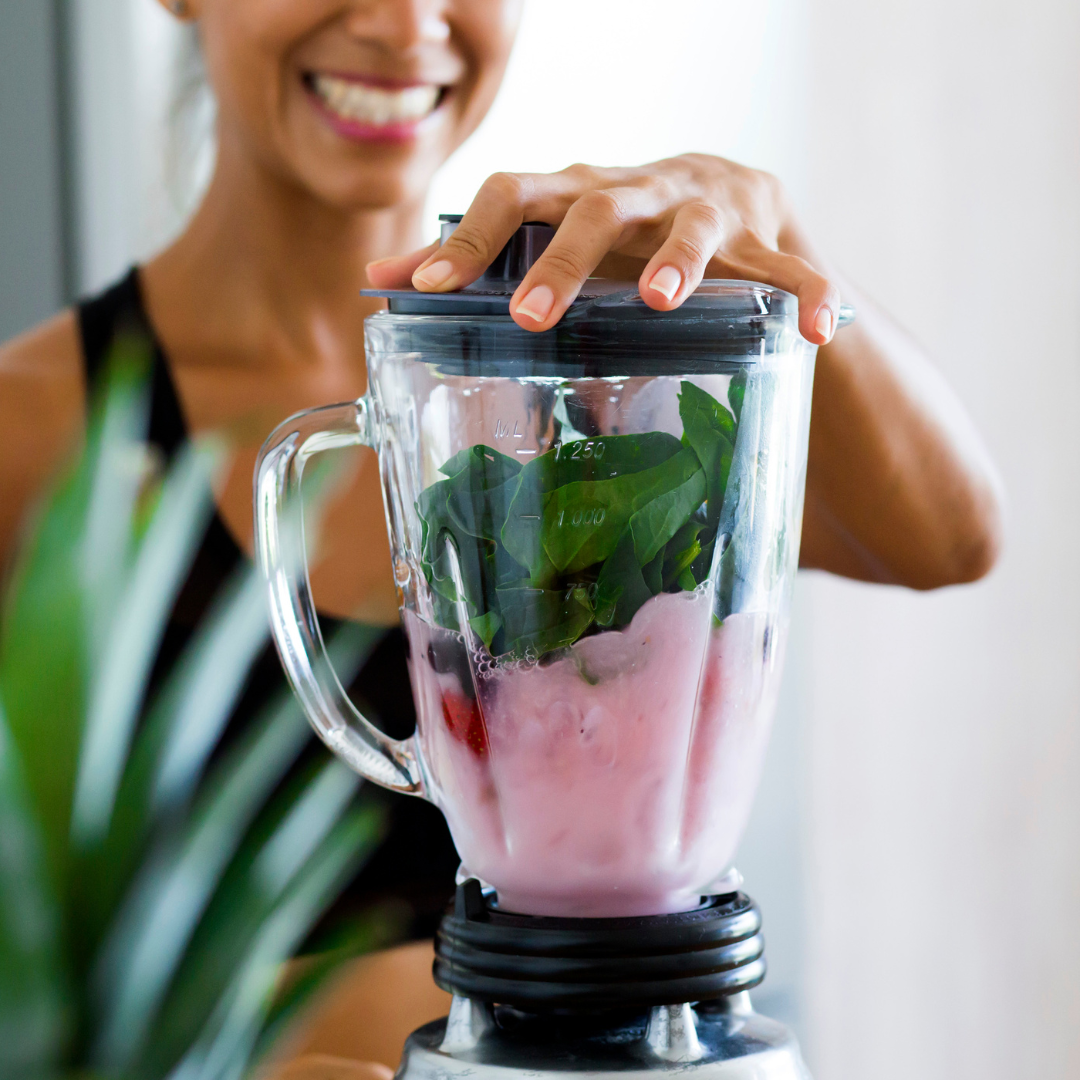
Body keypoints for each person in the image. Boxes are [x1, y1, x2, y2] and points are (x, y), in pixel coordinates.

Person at [0, 0, 1004, 1075]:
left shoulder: (603, 370)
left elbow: (950, 538)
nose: (401, 24)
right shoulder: (35, 434)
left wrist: (784, 256)